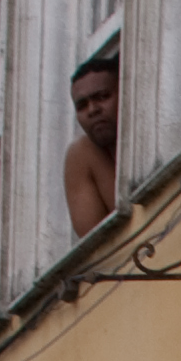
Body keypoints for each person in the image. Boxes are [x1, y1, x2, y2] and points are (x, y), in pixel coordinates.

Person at [64, 50, 120, 235]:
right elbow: (96, 249)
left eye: (102, 97)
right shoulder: (83, 154)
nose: (92, 110)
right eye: (82, 106)